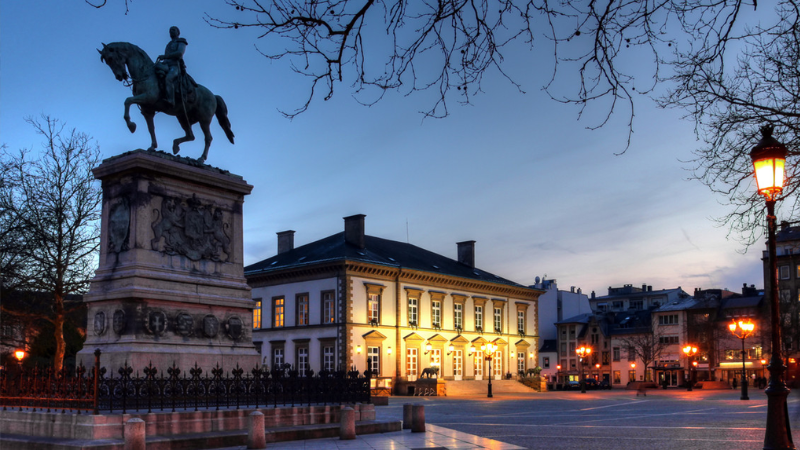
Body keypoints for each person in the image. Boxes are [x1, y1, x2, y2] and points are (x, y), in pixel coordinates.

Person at [155, 26, 187, 108]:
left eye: (173, 30)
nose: (171, 32)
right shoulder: (168, 44)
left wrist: (165, 56)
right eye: (170, 30)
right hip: (166, 65)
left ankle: (171, 100)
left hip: (175, 66)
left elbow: (179, 53)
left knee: (169, 78)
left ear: (178, 32)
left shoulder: (181, 41)